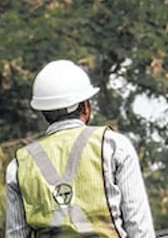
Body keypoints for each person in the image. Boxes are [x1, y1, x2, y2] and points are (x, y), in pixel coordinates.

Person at [5, 60, 155, 237]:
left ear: (44, 112)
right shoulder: (114, 147)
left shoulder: (19, 166)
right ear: (85, 107)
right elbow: (139, 228)